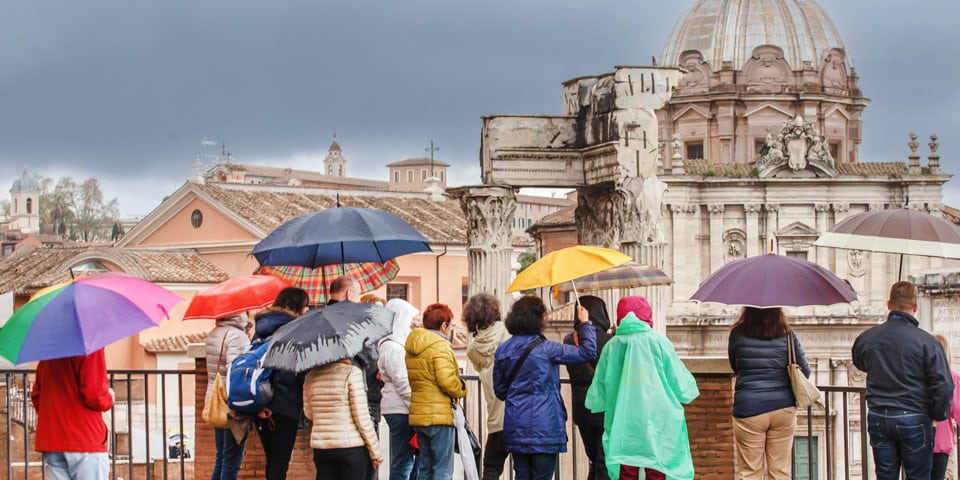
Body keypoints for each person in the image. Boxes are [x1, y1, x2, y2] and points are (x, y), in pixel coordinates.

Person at [585, 296, 699, 480]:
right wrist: (686, 393)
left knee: (626, 468)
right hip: (659, 418)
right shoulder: (659, 342)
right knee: (657, 465)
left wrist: (597, 402)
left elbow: (600, 388)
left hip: (623, 420)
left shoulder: (612, 346)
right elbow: (680, 383)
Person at [852, 281, 954, 480]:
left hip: (879, 414)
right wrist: (937, 414)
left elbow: (859, 362)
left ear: (889, 304)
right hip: (915, 415)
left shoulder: (868, 338)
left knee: (885, 475)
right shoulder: (928, 342)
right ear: (915, 307)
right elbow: (944, 384)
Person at [493, 295, 596, 480]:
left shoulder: (503, 350)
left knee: (522, 475)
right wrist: (585, 324)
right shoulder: (549, 349)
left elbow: (500, 391)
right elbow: (587, 352)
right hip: (546, 428)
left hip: (516, 426)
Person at [726, 306, 809, 480]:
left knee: (750, 472)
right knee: (779, 472)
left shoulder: (737, 334)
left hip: (749, 407)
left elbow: (735, 366)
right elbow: (805, 371)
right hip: (783, 407)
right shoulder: (788, 335)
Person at [328, 275, 383, 480]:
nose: (360, 299)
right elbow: (372, 356)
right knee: (365, 469)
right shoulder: (356, 321)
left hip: (327, 410)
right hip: (358, 398)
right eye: (358, 294)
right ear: (349, 293)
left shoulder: (319, 320)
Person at [252, 287, 310, 480]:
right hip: (285, 405)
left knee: (272, 460)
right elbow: (288, 372)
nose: (307, 310)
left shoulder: (261, 328)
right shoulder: (293, 330)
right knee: (280, 462)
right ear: (298, 306)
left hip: (260, 401)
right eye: (305, 306)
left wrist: (264, 403)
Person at [405, 303, 468, 480]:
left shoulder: (413, 346)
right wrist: (462, 388)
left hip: (419, 415)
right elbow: (447, 381)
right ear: (443, 326)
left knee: (425, 468)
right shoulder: (439, 346)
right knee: (442, 469)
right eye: (451, 326)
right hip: (439, 416)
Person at [31, 349, 114, 480]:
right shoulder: (91, 347)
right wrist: (109, 397)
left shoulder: (50, 350)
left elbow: (37, 395)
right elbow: (95, 395)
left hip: (53, 439)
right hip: (85, 437)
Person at [303, 358, 383, 480]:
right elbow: (362, 418)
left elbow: (308, 413)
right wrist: (375, 451)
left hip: (322, 447)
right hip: (351, 447)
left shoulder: (311, 376)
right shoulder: (351, 373)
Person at [562, 295, 612, 480]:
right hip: (604, 406)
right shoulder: (610, 341)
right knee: (604, 458)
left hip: (581, 407)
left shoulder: (569, 340)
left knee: (593, 457)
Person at [463, 293, 511, 480]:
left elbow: (479, 366)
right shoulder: (507, 332)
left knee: (491, 466)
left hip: (495, 414)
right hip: (516, 411)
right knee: (524, 467)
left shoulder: (473, 348)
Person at [206, 314, 251, 480]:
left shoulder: (215, 332)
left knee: (222, 457)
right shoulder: (236, 336)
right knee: (232, 460)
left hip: (217, 400)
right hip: (233, 402)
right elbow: (237, 370)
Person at [379, 298, 420, 480]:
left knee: (408, 460)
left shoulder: (393, 344)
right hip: (401, 408)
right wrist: (416, 406)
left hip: (401, 407)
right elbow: (402, 382)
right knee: (403, 461)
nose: (411, 324)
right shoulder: (392, 347)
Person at [933, 334, 960, 480]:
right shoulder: (951, 377)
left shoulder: (917, 376)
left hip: (914, 438)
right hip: (940, 440)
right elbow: (958, 409)